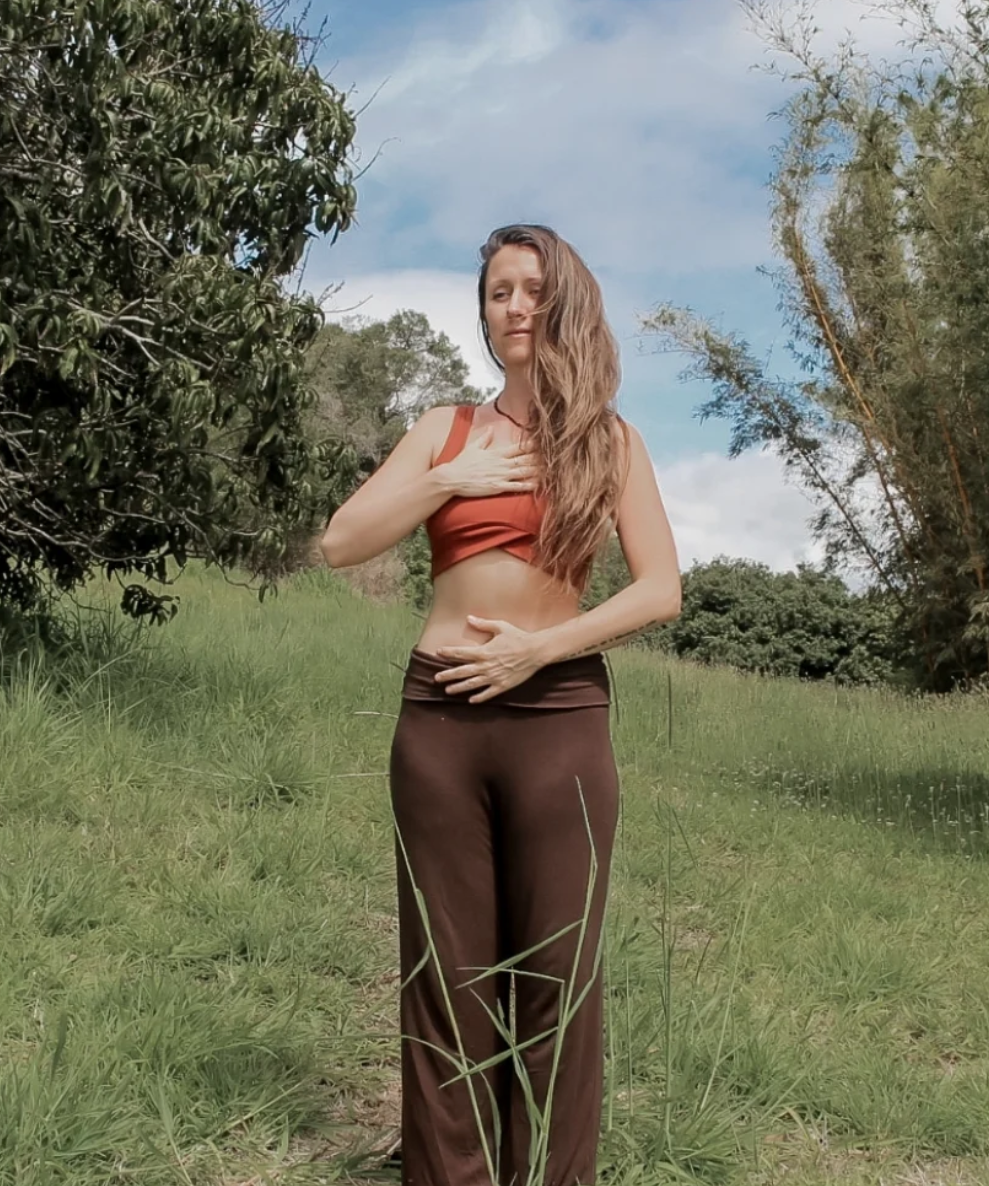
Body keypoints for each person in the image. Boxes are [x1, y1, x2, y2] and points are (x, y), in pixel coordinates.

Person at [320, 224, 681, 1186]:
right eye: (497, 294)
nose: (514, 308)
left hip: (559, 716)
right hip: (438, 718)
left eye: (531, 290)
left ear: (567, 301)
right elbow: (340, 542)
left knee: (557, 982)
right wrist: (450, 478)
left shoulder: (611, 441)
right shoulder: (444, 429)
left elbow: (660, 591)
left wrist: (540, 650)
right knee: (445, 978)